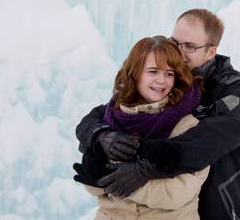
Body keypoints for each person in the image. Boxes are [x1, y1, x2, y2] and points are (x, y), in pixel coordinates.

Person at [76, 9, 240, 220]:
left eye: (189, 46)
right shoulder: (169, 83)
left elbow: (205, 143)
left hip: (223, 208)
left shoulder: (232, 91)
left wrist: (144, 163)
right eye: (175, 42)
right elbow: (106, 113)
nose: (178, 52)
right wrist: (101, 136)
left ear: (210, 52)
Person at [74, 35, 208, 219]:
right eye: (153, 71)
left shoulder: (188, 123)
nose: (162, 80)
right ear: (136, 72)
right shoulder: (112, 115)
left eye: (169, 73)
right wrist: (97, 172)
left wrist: (121, 179)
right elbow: (94, 188)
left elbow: (177, 194)